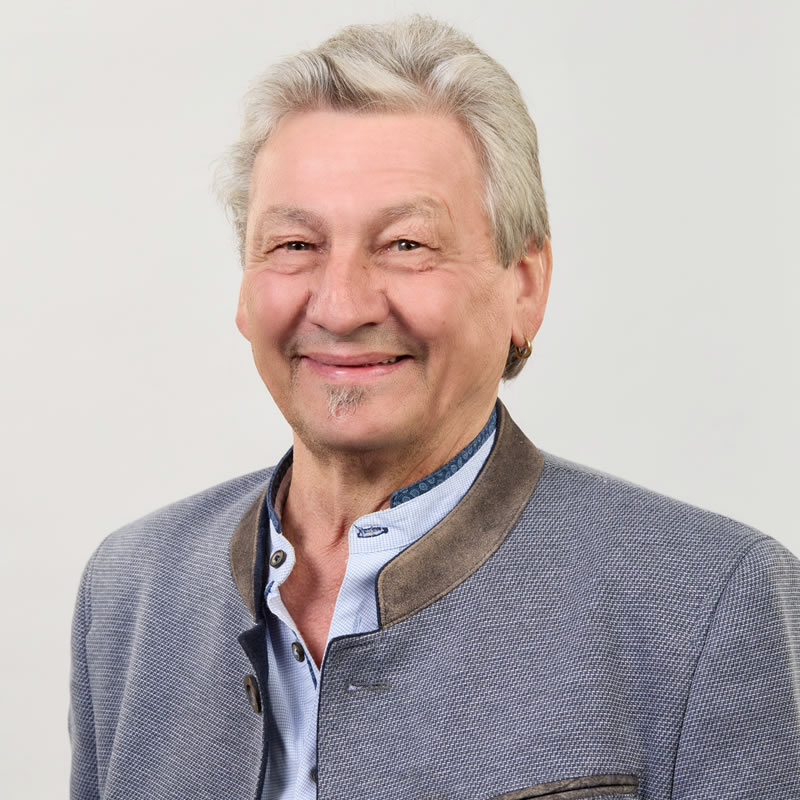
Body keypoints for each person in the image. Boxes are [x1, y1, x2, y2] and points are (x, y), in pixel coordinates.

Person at [69, 15, 800, 800]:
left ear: (525, 285)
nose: (342, 304)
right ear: (246, 290)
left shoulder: (711, 604)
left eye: (406, 244)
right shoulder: (130, 592)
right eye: (294, 245)